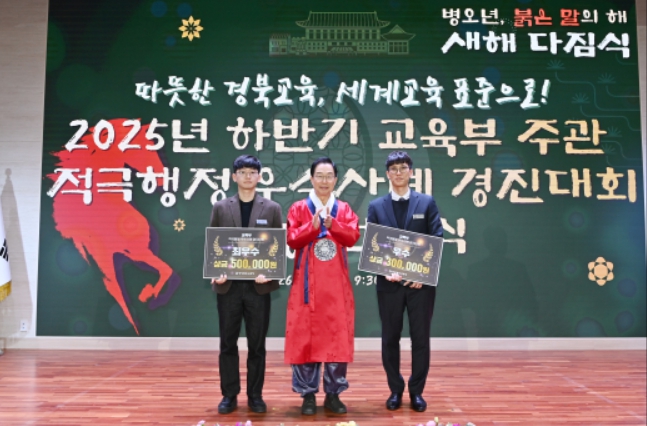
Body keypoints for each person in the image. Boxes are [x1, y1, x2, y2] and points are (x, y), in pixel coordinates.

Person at [366, 151, 443, 412]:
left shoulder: (427, 202)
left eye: (403, 168)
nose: (398, 173)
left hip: (420, 286)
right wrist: (385, 269)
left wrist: (421, 274)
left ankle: (417, 391)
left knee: (420, 339)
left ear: (411, 172)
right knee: (390, 338)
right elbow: (374, 244)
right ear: (387, 174)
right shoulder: (376, 206)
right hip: (389, 284)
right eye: (394, 169)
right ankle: (395, 390)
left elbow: (437, 238)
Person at [284, 157, 360, 415]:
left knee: (337, 337)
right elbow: (291, 239)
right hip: (307, 287)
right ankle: (307, 394)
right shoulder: (298, 208)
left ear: (336, 180)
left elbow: (353, 236)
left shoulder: (344, 209)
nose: (324, 181)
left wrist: (333, 225)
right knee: (305, 337)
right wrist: (312, 226)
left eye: (329, 176)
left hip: (336, 287)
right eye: (320, 175)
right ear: (311, 178)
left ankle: (333, 394)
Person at [209, 155, 283, 415]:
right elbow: (214, 246)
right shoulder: (220, 207)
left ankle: (255, 395)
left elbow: (276, 248)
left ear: (259, 177)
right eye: (242, 172)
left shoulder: (272, 208)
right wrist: (216, 272)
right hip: (228, 287)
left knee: (257, 345)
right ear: (234, 176)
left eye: (252, 172)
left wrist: (270, 272)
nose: (248, 176)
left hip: (258, 289)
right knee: (227, 344)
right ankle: (229, 395)